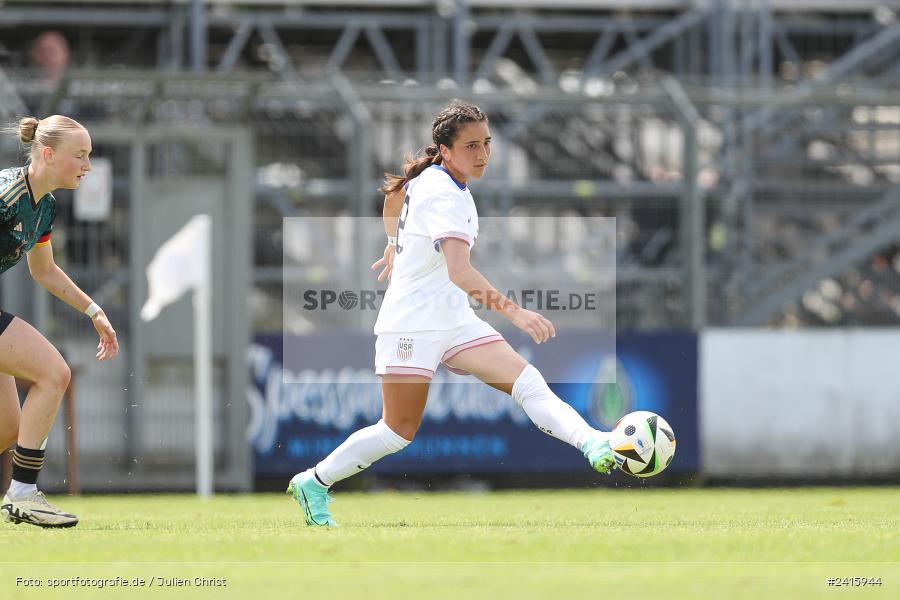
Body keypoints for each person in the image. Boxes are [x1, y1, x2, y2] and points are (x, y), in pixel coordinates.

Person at [287, 100, 616, 527]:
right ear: (444, 149)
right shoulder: (444, 193)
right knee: (397, 432)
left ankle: (594, 443)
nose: (482, 154)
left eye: (486, 144)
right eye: (470, 146)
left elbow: (394, 199)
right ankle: (314, 481)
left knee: (527, 383)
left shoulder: (435, 179)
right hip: (412, 323)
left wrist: (394, 243)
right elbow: (460, 271)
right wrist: (516, 313)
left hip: (453, 320)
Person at [0, 115, 119, 528]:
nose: (88, 165)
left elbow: (44, 270)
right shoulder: (6, 195)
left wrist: (94, 311)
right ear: (48, 154)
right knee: (53, 373)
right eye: (80, 155)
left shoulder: (44, 205)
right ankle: (23, 495)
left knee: (9, 428)